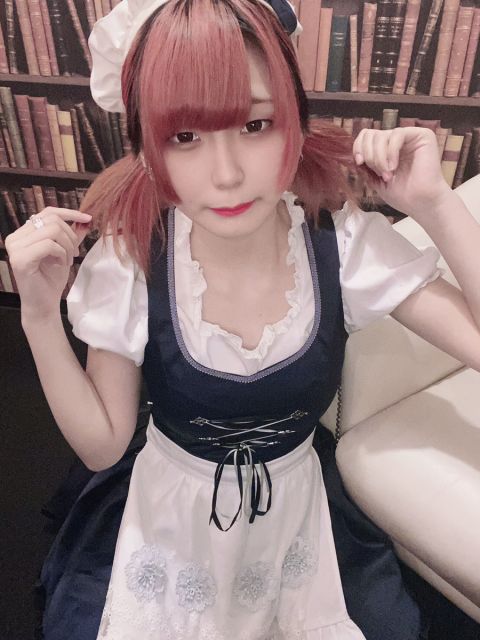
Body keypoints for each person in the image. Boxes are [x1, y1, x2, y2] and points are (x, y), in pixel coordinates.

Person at [6, 0, 480, 638]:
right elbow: (104, 445)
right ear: (145, 147)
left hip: (298, 507)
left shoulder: (339, 243)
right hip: (170, 509)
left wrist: (435, 205)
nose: (227, 175)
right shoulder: (133, 258)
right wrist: (39, 317)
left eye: (256, 125)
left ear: (295, 121)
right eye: (185, 137)